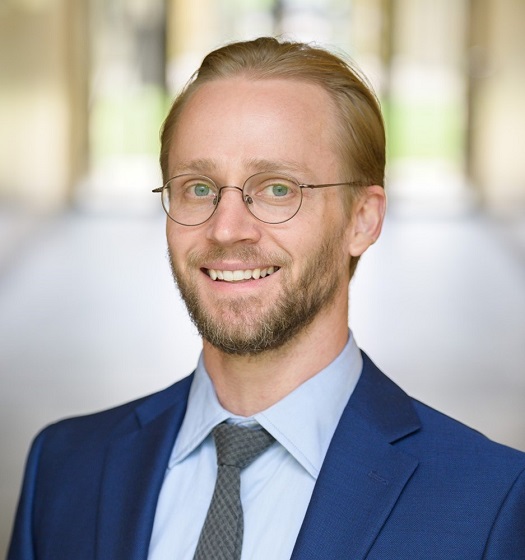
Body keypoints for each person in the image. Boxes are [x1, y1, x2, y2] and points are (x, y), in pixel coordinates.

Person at [8, 37, 525, 560]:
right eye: (199, 187)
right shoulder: (65, 467)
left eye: (278, 188)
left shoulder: (489, 503)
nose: (227, 228)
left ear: (362, 220)